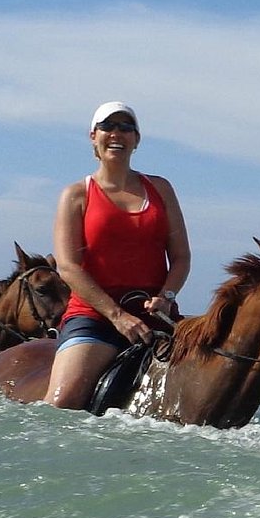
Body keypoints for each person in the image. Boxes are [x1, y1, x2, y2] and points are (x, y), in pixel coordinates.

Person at [44, 101, 191, 409]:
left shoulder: (161, 189)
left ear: (136, 140)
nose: (117, 134)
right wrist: (117, 316)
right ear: (93, 137)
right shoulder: (76, 194)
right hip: (95, 317)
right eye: (108, 127)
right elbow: (68, 267)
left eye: (126, 128)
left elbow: (181, 257)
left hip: (155, 318)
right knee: (61, 405)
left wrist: (167, 294)